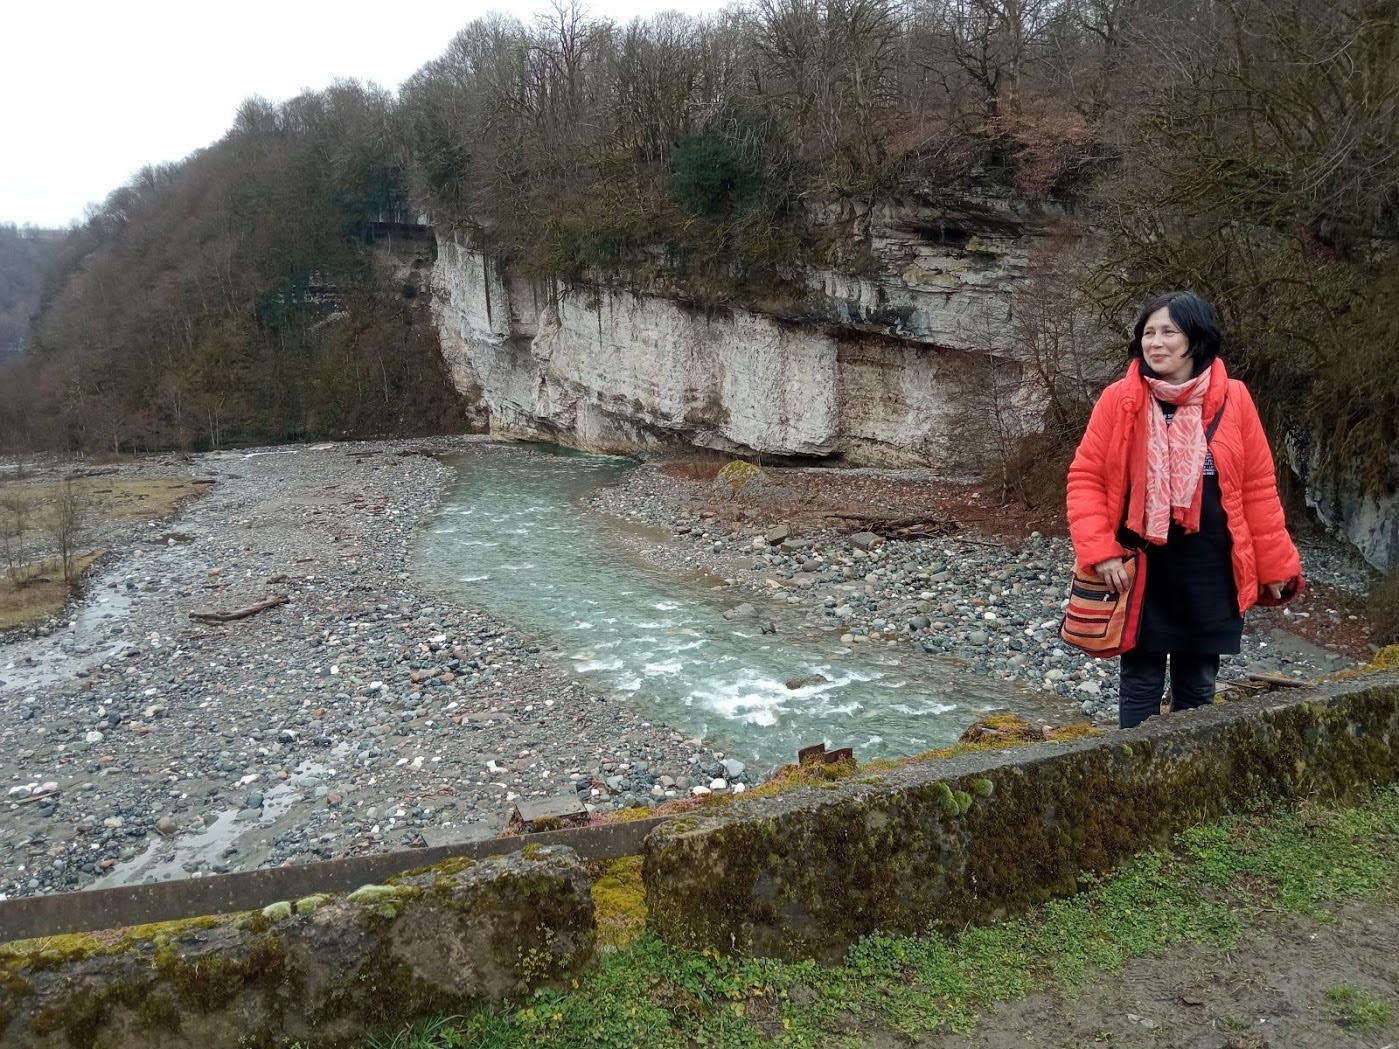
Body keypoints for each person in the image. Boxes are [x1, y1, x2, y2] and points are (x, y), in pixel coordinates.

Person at [1066, 291, 1303, 729]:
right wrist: (1102, 551)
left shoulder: (1235, 398)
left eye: (1168, 332)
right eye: (1148, 333)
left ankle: (1188, 779)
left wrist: (1274, 567)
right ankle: (1137, 778)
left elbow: (1257, 489)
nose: (1155, 343)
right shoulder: (1119, 399)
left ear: (1196, 339)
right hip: (1143, 565)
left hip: (1211, 564)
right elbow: (1087, 480)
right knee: (1140, 679)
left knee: (1198, 681)